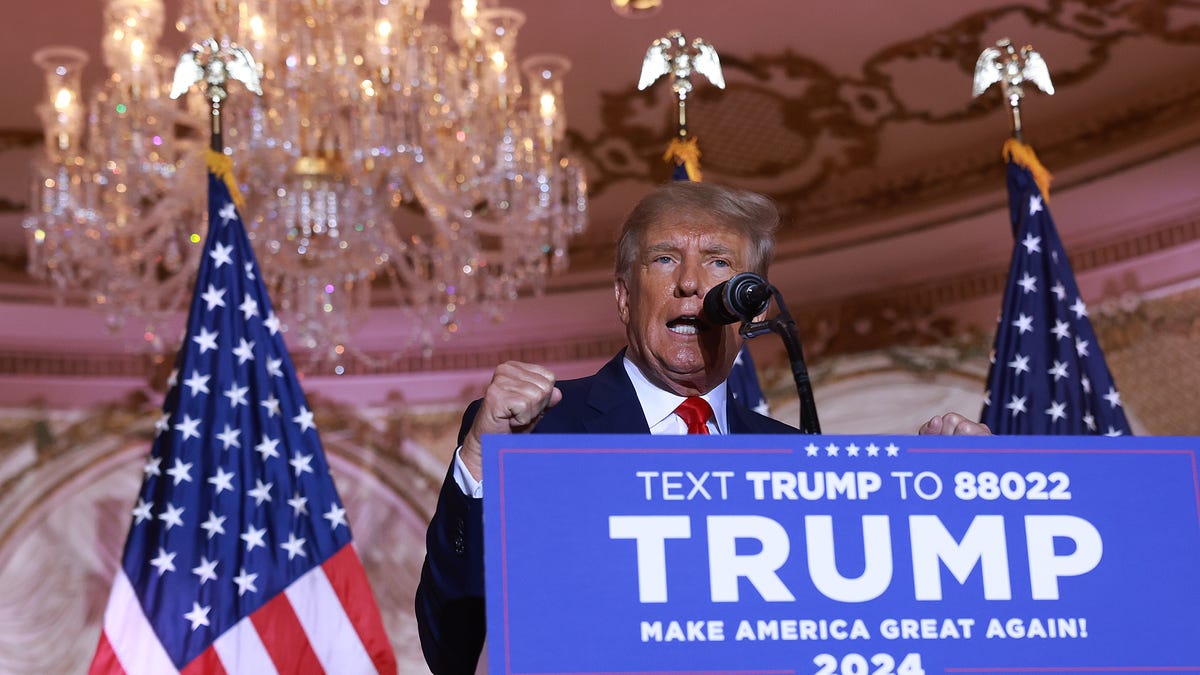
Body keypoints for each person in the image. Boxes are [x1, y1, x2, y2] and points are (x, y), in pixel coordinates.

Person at [414, 181, 989, 674]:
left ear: (754, 305)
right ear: (623, 296)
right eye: (664, 259)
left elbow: (864, 638)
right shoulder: (539, 432)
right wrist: (483, 464)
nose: (692, 283)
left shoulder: (795, 460)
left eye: (719, 262)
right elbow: (454, 648)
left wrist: (942, 501)